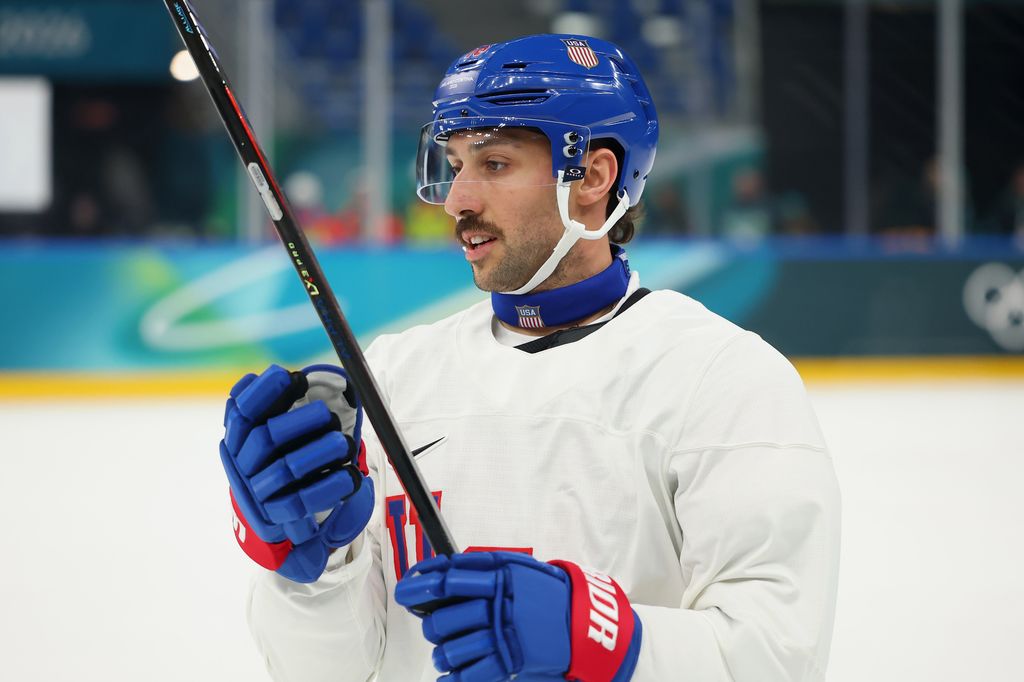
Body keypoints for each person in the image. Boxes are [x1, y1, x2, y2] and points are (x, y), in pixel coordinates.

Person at [220, 35, 841, 682]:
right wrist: (309, 569)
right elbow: (332, 672)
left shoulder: (722, 379)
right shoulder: (395, 376)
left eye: (493, 164)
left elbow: (778, 657)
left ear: (595, 176)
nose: (457, 200)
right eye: (454, 163)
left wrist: (603, 640)